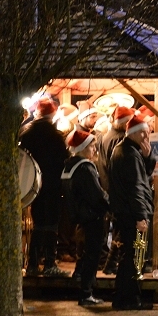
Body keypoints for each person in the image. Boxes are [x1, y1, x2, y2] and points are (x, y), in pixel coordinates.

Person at [19, 97, 70, 276]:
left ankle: (33, 264)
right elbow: (64, 160)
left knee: (38, 223)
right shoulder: (56, 136)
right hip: (52, 184)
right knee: (51, 224)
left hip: (31, 185)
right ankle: (49, 263)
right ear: (52, 114)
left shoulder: (26, 133)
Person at [109, 116, 155, 310]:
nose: (147, 136)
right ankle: (131, 298)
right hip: (132, 214)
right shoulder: (128, 153)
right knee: (136, 258)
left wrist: (148, 157)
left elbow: (143, 176)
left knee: (130, 256)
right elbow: (136, 187)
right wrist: (141, 216)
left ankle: (122, 297)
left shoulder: (127, 151)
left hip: (126, 212)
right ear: (134, 133)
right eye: (143, 132)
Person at [61, 130, 109, 305]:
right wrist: (111, 205)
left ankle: (80, 281)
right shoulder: (85, 168)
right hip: (92, 217)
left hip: (78, 218)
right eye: (91, 146)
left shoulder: (69, 166)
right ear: (82, 148)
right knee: (92, 255)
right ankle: (86, 292)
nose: (95, 149)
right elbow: (96, 196)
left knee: (83, 253)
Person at [97, 105, 135, 275]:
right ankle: (111, 262)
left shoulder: (107, 137)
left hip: (109, 186)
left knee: (117, 227)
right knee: (121, 228)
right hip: (117, 190)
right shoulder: (119, 140)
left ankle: (110, 262)